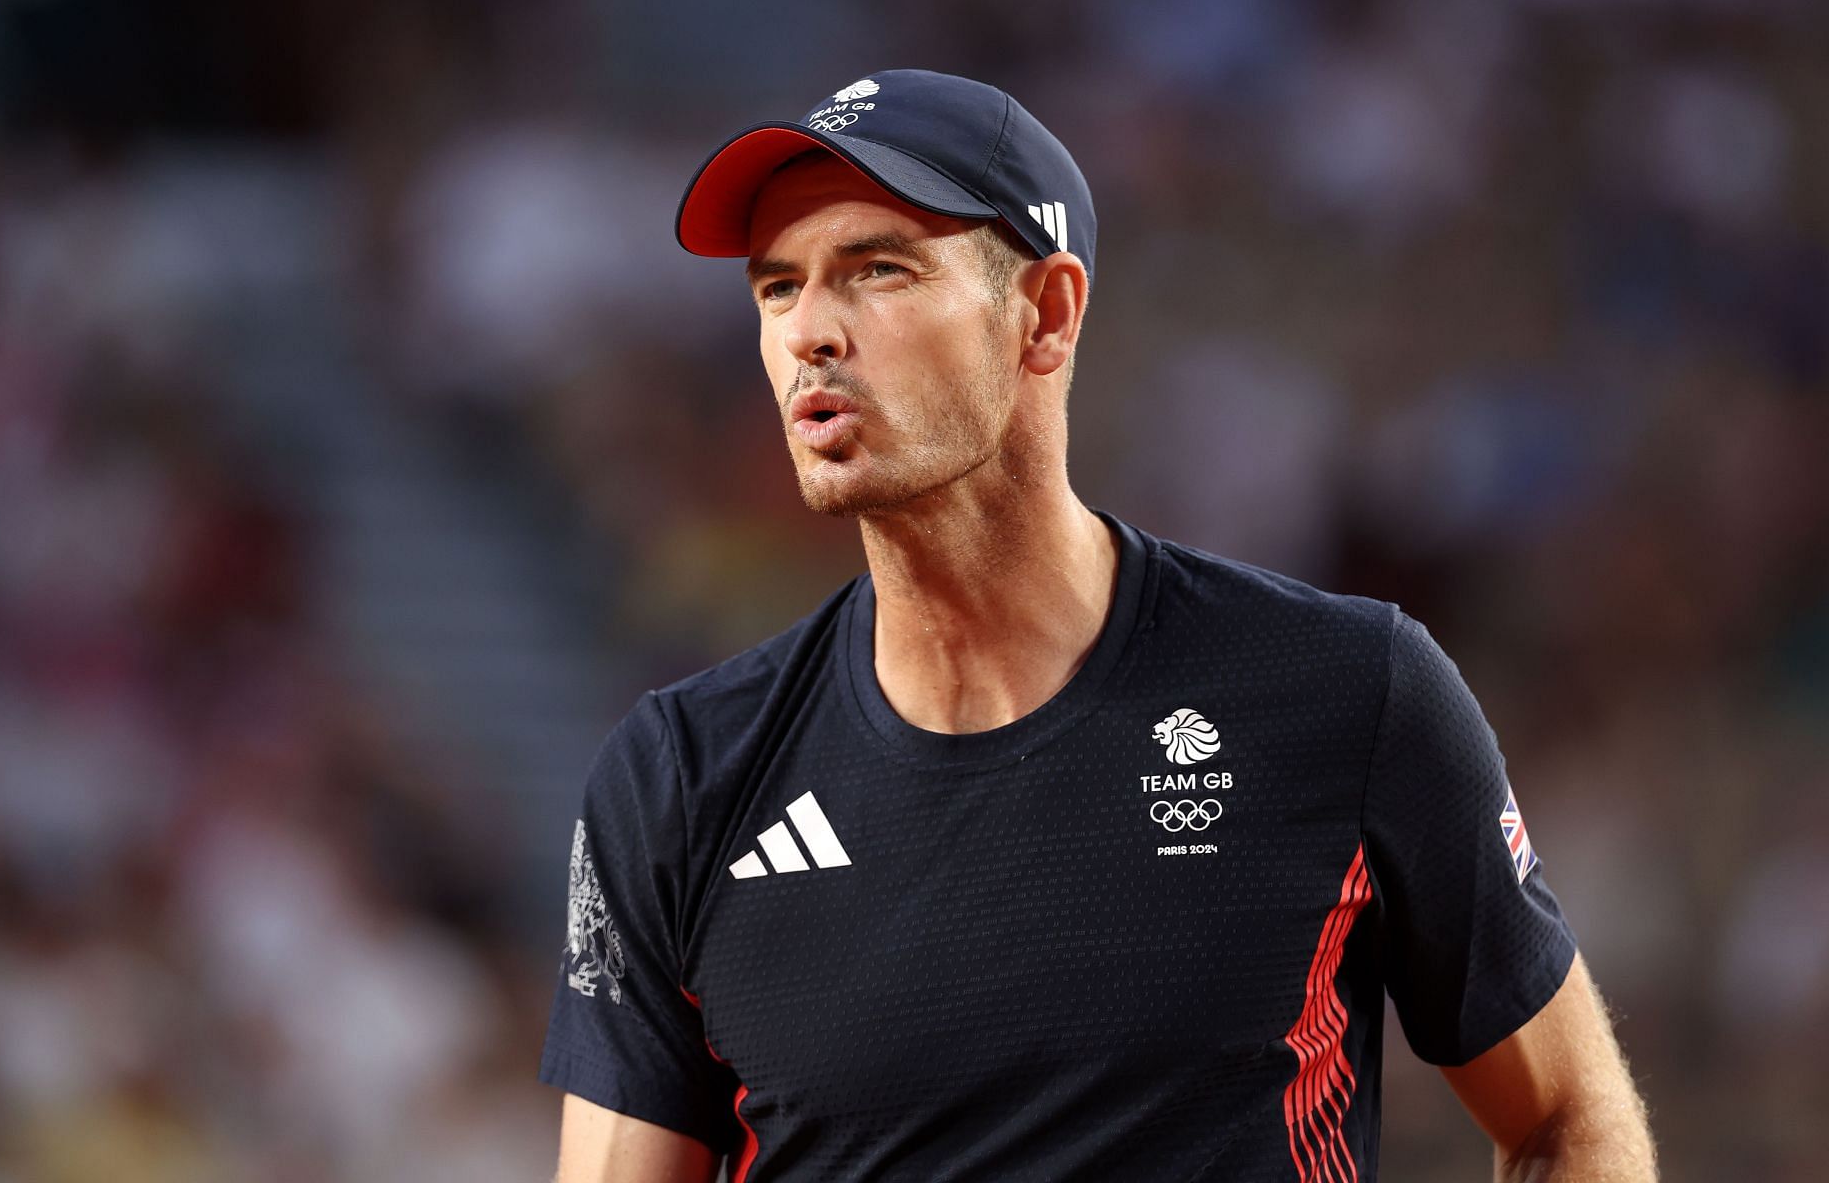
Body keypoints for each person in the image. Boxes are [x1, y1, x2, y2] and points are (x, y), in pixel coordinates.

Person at [540, 69, 1656, 1182]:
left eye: (879, 270)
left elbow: (1567, 1116)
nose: (811, 333)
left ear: (1047, 314)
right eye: (778, 288)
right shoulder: (679, 776)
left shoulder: (1348, 691)